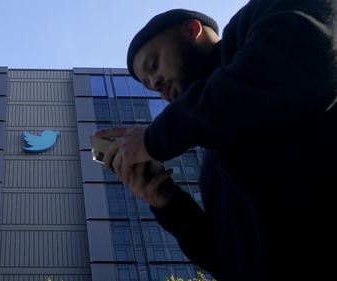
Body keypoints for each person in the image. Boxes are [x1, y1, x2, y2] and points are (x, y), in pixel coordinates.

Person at [95, 3, 336, 281]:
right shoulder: (212, 166)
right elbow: (229, 261)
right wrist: (168, 202)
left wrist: (152, 139)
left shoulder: (259, 20)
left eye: (154, 64)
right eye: (149, 84)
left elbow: (308, 56)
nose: (156, 82)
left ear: (192, 29)